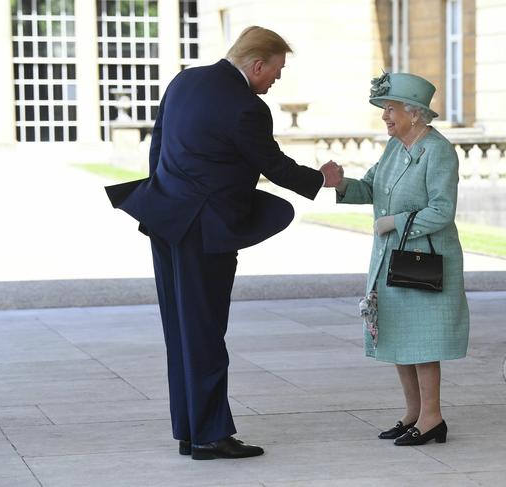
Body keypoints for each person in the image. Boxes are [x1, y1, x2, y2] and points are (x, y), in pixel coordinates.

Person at [105, 26, 343, 460]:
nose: (276, 80)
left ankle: (190, 429)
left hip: (165, 218)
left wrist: (165, 197)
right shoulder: (245, 107)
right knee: (206, 332)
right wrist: (321, 179)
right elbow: (271, 164)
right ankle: (210, 435)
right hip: (205, 231)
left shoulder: (185, 80)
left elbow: (157, 150)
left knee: (179, 330)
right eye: (276, 71)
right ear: (257, 65)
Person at [334, 73, 469, 446]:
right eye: (385, 110)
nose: (385, 117)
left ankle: (433, 417)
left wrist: (396, 222)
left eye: (390, 110)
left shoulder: (439, 151)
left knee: (423, 341)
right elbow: (371, 187)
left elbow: (443, 210)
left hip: (425, 260)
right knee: (398, 336)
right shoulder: (394, 148)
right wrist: (342, 184)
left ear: (415, 113)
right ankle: (413, 413)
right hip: (391, 258)